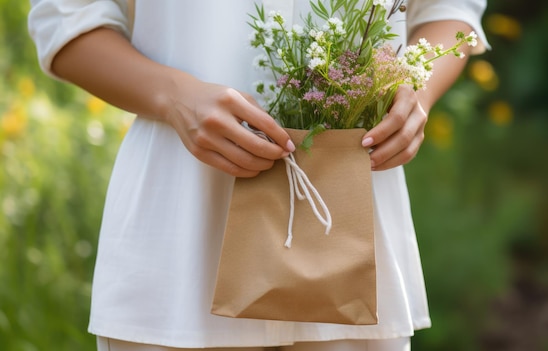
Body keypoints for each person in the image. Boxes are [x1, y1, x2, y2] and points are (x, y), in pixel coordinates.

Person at [28, 0, 489, 350]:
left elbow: (449, 9)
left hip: (352, 236)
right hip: (179, 250)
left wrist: (415, 90)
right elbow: (67, 17)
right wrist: (173, 96)